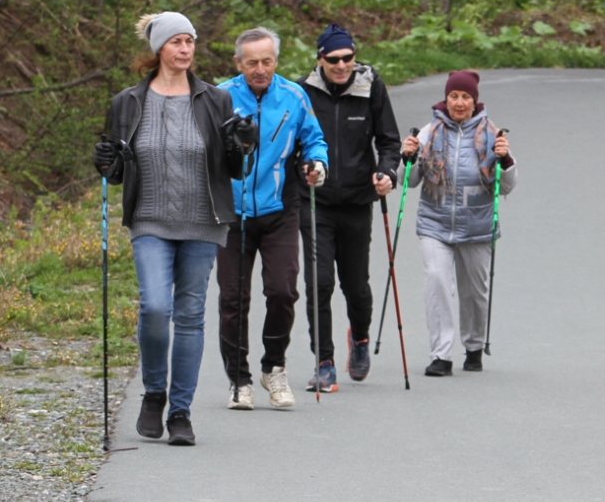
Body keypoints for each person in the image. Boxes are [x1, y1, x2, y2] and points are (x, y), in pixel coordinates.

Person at [95, 12, 254, 446]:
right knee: (154, 307)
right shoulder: (128, 102)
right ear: (158, 49)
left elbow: (236, 169)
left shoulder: (215, 100)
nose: (185, 49)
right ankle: (153, 394)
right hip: (149, 217)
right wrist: (107, 163)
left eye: (190, 41)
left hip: (204, 219)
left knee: (189, 315)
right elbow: (115, 172)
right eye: (177, 42)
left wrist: (242, 144)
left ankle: (180, 413)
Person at [216, 27, 328, 410]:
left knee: (283, 291)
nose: (260, 69)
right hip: (231, 212)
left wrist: (317, 164)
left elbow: (314, 139)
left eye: (266, 61)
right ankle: (238, 380)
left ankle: (273, 367)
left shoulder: (294, 96)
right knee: (234, 298)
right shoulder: (220, 97)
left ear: (276, 61)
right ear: (238, 63)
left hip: (280, 208)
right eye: (251, 63)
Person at [298, 24, 402, 390]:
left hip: (358, 199)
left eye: (348, 58)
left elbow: (389, 141)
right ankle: (323, 361)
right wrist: (304, 168)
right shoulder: (302, 92)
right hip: (315, 201)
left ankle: (359, 339)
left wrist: (387, 171)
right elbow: (292, 143)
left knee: (355, 285)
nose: (342, 65)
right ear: (320, 59)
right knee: (319, 282)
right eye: (334, 59)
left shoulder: (371, 85)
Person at [401, 70, 516, 376]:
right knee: (437, 281)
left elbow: (506, 187)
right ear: (446, 99)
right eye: (454, 96)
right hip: (435, 222)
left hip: (477, 225)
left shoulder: (493, 135)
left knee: (474, 291)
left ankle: (474, 346)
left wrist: (505, 162)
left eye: (466, 96)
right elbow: (409, 182)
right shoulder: (428, 133)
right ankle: (441, 355)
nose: (460, 102)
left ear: (475, 101)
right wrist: (407, 157)